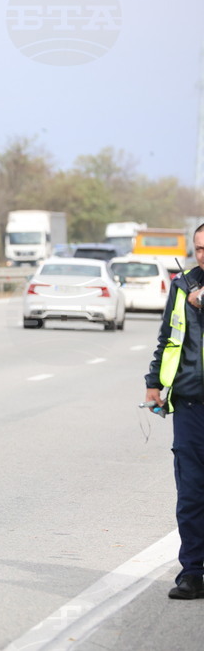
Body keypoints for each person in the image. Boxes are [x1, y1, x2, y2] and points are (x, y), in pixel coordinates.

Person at [146, 223, 204, 599]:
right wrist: (153, 381)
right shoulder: (184, 286)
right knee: (192, 493)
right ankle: (193, 572)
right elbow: (169, 335)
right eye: (199, 249)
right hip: (189, 404)